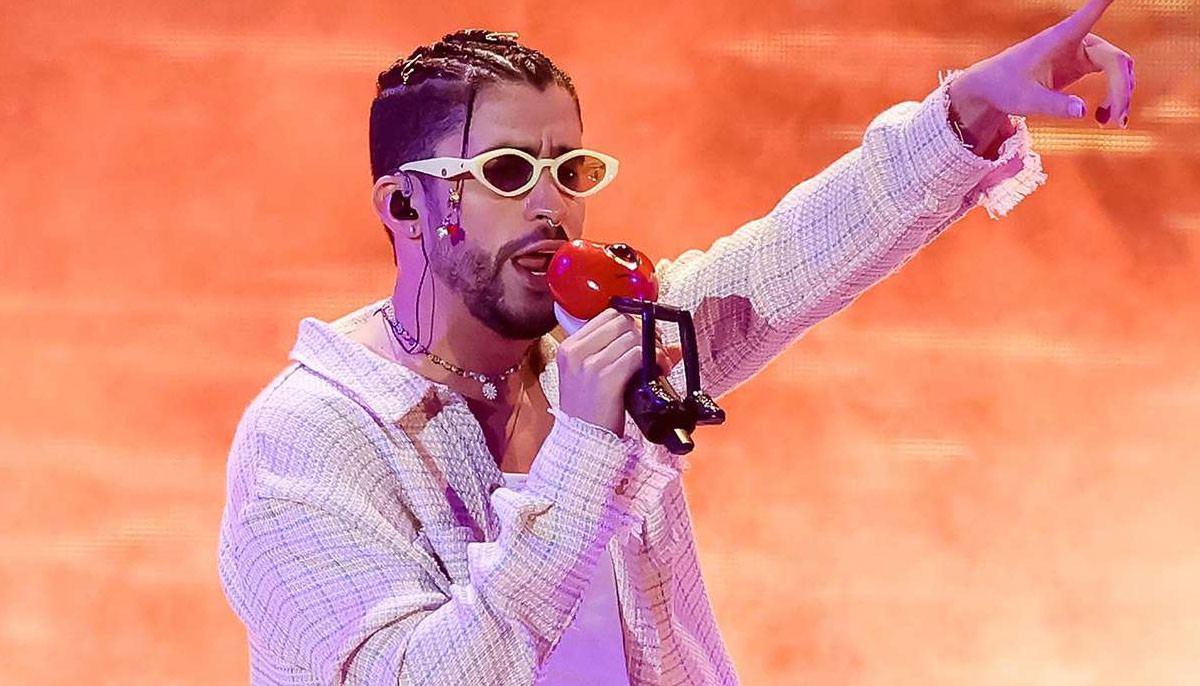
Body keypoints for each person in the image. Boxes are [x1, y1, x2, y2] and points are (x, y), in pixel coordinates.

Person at [217, 3, 1135, 684]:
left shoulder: (591, 347)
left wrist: (968, 112)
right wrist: (584, 451)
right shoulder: (312, 439)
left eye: (568, 169)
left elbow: (786, 262)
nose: (550, 204)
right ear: (404, 206)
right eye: (505, 170)